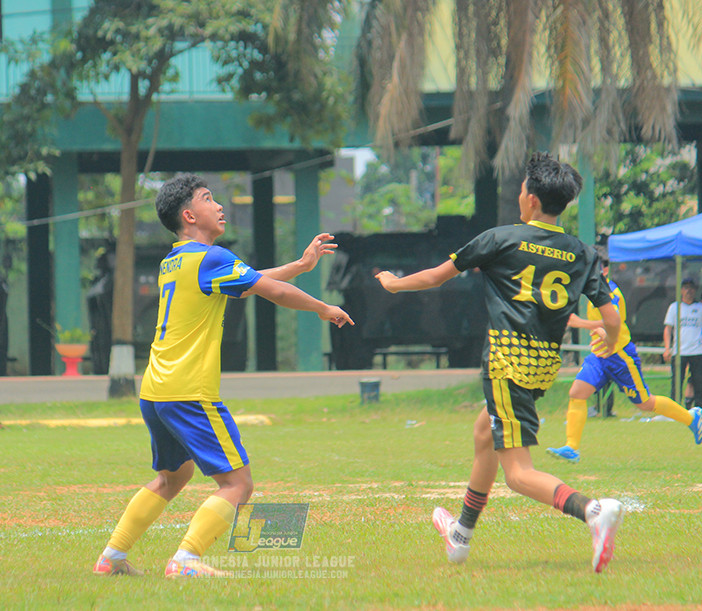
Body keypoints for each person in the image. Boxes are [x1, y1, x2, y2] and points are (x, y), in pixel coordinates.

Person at [93, 173, 354, 579]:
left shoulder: (176, 260)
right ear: (189, 215)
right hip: (188, 392)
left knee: (172, 477)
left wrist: (301, 266)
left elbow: (248, 282)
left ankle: (111, 557)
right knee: (238, 484)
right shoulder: (211, 258)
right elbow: (269, 290)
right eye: (208, 198)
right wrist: (322, 308)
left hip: (156, 391)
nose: (218, 206)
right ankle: (186, 561)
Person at [376, 152, 625, 574]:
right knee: (483, 432)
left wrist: (394, 284)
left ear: (529, 199)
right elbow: (612, 317)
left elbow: (437, 276)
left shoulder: (501, 239)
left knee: (518, 473)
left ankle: (593, 511)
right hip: (543, 366)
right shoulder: (582, 253)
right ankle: (461, 534)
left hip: (507, 363)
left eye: (522, 188)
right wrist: (607, 341)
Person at [547, 248, 702, 464]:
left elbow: (613, 323)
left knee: (645, 404)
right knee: (577, 392)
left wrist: (578, 323)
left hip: (620, 356)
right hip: (600, 355)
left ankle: (691, 418)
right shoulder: (592, 289)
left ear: (603, 269)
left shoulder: (611, 292)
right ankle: (572, 447)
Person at [662, 278, 702, 411]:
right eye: (686, 288)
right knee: (677, 382)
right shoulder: (675, 307)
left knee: (699, 382)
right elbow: (668, 329)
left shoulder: (700, 308)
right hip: (679, 351)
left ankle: (698, 410)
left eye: (691, 288)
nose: (689, 291)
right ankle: (674, 410)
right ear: (681, 290)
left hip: (697, 351)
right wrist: (667, 348)